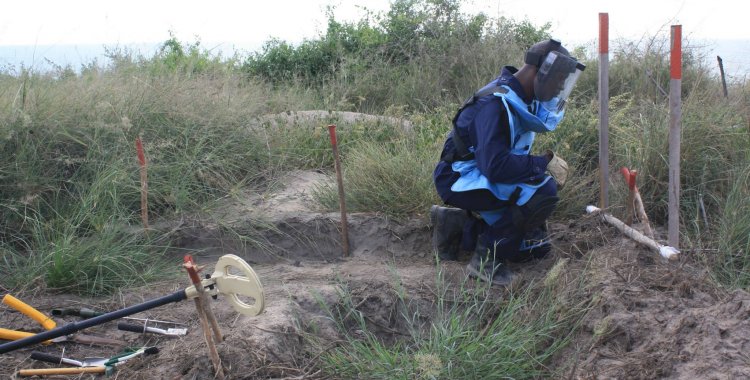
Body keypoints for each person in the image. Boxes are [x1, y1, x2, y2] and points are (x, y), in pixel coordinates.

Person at [431, 39, 584, 286]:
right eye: (559, 79)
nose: (559, 88)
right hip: (457, 178)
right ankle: (486, 262)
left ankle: (457, 225)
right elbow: (495, 167)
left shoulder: (521, 96)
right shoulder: (494, 104)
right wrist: (541, 164)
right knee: (543, 191)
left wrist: (535, 167)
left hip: (478, 174)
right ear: (541, 72)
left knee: (534, 250)